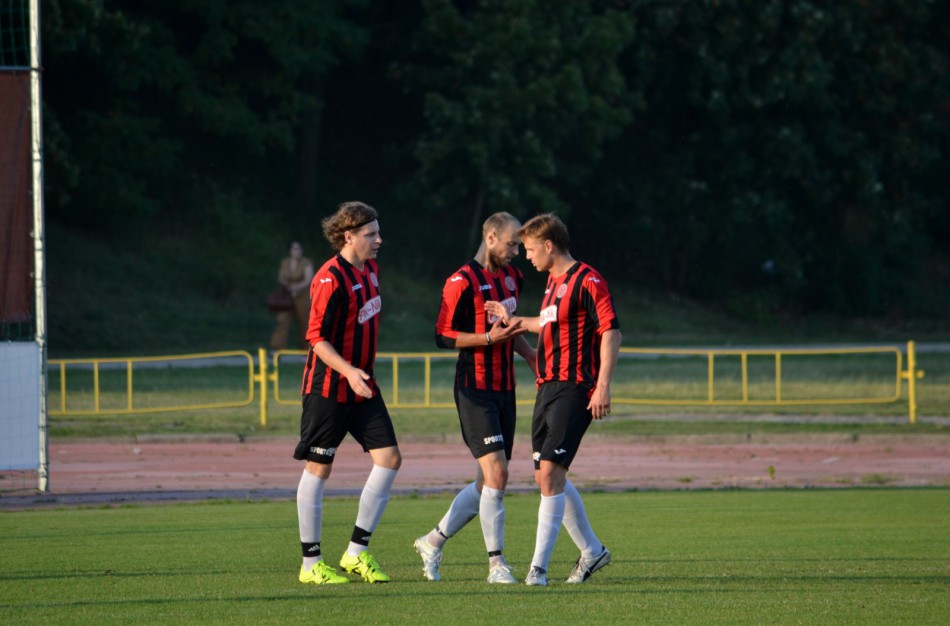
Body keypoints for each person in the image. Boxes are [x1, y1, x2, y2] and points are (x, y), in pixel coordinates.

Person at [486, 213, 620, 586]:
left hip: (575, 387)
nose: (525, 256)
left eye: (529, 249)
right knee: (546, 474)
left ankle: (537, 570)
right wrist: (510, 318)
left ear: (548, 245)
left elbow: (611, 331)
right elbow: (546, 323)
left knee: (550, 474)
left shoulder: (588, 280)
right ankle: (593, 551)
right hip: (546, 388)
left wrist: (603, 385)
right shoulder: (552, 283)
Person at [413, 212, 537, 584]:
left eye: (520, 245)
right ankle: (496, 565)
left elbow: (508, 329)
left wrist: (530, 355)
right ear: (491, 236)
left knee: (489, 482)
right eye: (512, 243)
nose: (517, 251)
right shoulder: (461, 281)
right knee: (498, 473)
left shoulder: (513, 277)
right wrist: (485, 339)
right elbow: (443, 336)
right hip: (474, 388)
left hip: (505, 389)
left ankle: (432, 541)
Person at [293, 201, 401, 585]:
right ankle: (311, 565)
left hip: (363, 384)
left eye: (377, 232)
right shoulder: (328, 278)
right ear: (348, 236)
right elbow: (315, 337)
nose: (378, 240)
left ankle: (356, 553)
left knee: (389, 459)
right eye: (371, 234)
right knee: (319, 467)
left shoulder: (370, 269)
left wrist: (361, 373)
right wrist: (349, 370)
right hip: (329, 386)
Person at [269, 241, 315, 351]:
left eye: (299, 249)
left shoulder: (306, 262)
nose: (297, 251)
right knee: (282, 321)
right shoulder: (285, 263)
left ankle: (306, 349)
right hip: (287, 297)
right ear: (290, 251)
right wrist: (288, 285)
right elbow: (281, 277)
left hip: (302, 297)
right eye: (294, 249)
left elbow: (308, 279)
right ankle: (277, 348)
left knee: (305, 322)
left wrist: (296, 287)